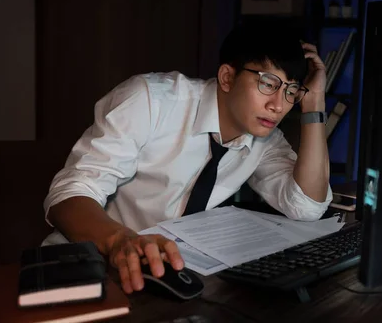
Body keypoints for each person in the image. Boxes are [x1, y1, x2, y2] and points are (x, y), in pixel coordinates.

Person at [42, 25, 332, 294]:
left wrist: (315, 102)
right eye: (268, 83)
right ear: (227, 77)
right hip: (89, 267)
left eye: (291, 91)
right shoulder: (151, 101)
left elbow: (306, 207)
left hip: (169, 277)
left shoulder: (265, 139)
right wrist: (120, 241)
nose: (278, 105)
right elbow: (68, 196)